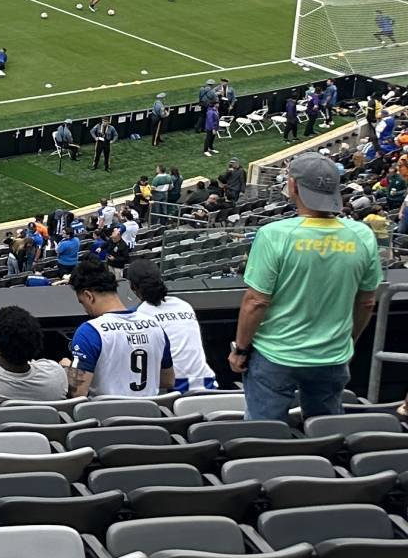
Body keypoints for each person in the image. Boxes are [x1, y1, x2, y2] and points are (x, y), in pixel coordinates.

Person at [233, 153, 383, 423]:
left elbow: (256, 301)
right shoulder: (362, 235)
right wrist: (347, 343)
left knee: (263, 435)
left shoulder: (274, 234)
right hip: (332, 356)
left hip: (275, 355)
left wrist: (241, 349)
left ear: (293, 186)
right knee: (327, 432)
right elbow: (366, 302)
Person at [67, 257, 170, 398]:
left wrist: (68, 369)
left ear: (88, 296)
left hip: (107, 417)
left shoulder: (89, 332)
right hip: (151, 416)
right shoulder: (156, 326)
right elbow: (168, 380)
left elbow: (77, 392)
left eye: (82, 302)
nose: (85, 309)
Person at [126, 254, 219, 393]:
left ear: (133, 287)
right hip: (208, 386)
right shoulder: (184, 305)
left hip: (172, 390)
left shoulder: (139, 314)